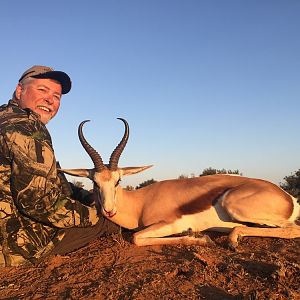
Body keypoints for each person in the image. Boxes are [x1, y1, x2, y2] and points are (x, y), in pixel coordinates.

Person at [0, 65, 120, 267]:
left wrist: (87, 196)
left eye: (57, 96)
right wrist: (96, 212)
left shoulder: (7, 118)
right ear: (19, 90)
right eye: (42, 90)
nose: (50, 100)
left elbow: (52, 181)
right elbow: (39, 203)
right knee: (112, 221)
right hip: (15, 247)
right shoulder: (25, 130)